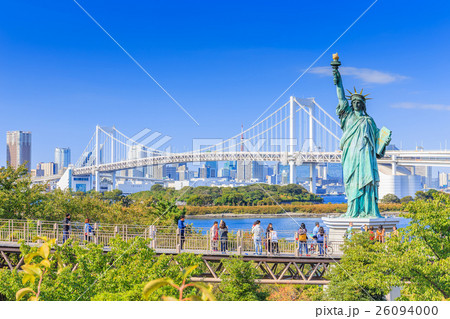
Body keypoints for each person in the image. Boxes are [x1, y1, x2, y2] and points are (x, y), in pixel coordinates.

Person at [333, 56, 391, 218]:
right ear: (351, 105)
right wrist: (338, 79)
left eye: (359, 102)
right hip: (351, 154)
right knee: (352, 182)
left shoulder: (369, 120)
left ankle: (368, 209)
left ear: (363, 105)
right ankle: (353, 209)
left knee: (367, 182)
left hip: (366, 155)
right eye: (354, 102)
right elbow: (341, 97)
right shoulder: (348, 116)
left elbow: (378, 142)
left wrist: (385, 141)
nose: (356, 103)